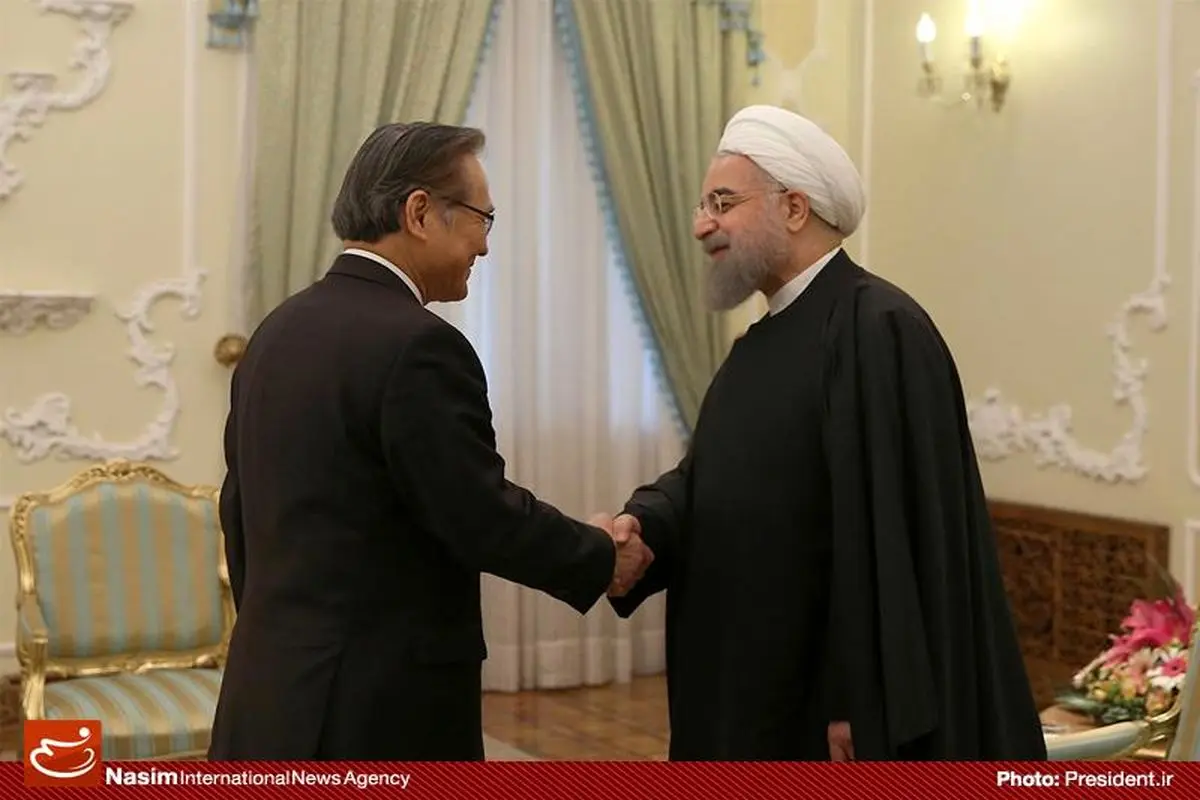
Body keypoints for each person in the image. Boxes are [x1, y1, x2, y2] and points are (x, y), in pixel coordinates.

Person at [604, 105, 1047, 761]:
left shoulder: (879, 328)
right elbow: (710, 482)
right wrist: (644, 525)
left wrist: (858, 698)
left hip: (822, 712)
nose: (701, 225)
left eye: (722, 203)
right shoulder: (756, 346)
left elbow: (895, 538)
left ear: (793, 208)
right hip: (738, 688)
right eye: (703, 206)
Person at [208, 122, 654, 761]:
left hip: (271, 686)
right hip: (374, 709)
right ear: (419, 213)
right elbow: (477, 513)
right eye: (481, 219)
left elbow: (240, 512)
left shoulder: (276, 331)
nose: (485, 246)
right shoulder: (419, 345)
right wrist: (599, 556)